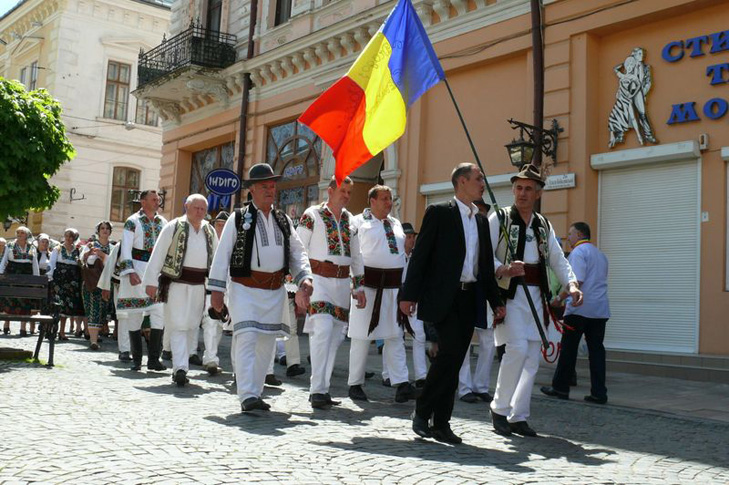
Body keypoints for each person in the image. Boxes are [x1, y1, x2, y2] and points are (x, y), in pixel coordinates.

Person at [401, 163, 505, 444]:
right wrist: (408, 295)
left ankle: (442, 423)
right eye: (478, 178)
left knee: (456, 359)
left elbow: (484, 266)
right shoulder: (439, 212)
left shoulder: (481, 220)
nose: (482, 183)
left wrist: (496, 302)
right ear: (461, 182)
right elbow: (421, 256)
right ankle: (422, 412)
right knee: (448, 356)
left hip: (469, 297)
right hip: (443, 297)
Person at [209, 163, 313, 412]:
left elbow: (298, 252)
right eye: (264, 186)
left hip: (274, 290)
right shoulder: (237, 218)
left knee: (266, 342)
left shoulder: (283, 220)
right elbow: (222, 256)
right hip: (244, 289)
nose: (270, 190)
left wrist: (304, 279)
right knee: (246, 338)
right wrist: (216, 292)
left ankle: (255, 392)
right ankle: (246, 395)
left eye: (272, 186)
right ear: (252, 190)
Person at [488, 164, 582, 438]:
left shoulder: (543, 224)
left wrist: (571, 283)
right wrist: (502, 268)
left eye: (529, 188)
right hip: (511, 293)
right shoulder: (500, 218)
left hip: (537, 296)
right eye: (518, 187)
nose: (522, 193)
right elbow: (484, 253)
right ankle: (499, 408)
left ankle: (519, 415)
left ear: (538, 192)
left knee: (531, 357)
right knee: (516, 349)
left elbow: (556, 258)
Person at [348, 185, 418, 403]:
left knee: (395, 335)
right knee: (361, 336)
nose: (389, 203)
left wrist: (407, 290)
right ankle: (355, 383)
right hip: (367, 287)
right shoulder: (357, 222)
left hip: (393, 288)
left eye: (391, 199)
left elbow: (401, 257)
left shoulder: (395, 223)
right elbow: (352, 255)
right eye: (385, 199)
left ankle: (402, 384)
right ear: (372, 201)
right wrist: (356, 285)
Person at [297, 176, 362, 409]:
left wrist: (360, 286)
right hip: (318, 281)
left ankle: (323, 389)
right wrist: (299, 284)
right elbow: (299, 249)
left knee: (335, 337)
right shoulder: (311, 215)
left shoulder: (350, 221)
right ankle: (315, 390)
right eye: (343, 191)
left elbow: (356, 255)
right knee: (322, 330)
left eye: (349, 192)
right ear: (330, 190)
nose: (346, 196)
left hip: (342, 283)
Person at [143, 194, 218, 386]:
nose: (199, 212)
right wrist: (151, 282)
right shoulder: (173, 226)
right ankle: (180, 369)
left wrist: (219, 286)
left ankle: (182, 365)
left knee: (192, 325)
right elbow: (158, 252)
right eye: (196, 208)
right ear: (186, 206)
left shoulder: (209, 230)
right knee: (177, 324)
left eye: (203, 209)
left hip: (199, 286)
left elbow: (217, 260)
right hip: (176, 283)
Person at [541, 222, 610, 404]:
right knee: (597, 351)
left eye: (570, 234)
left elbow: (576, 281)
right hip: (600, 310)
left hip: (579, 309)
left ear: (579, 234)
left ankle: (561, 388)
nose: (568, 237)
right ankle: (599, 392)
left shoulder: (579, 253)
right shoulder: (600, 255)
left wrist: (559, 299)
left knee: (568, 350)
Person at [118, 190, 168, 372]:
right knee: (134, 314)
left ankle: (154, 359)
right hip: (137, 270)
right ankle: (137, 359)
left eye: (158, 199)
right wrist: (130, 271)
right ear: (143, 201)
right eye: (154, 199)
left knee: (159, 312)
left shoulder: (163, 222)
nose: (157, 202)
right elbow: (126, 249)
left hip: (156, 272)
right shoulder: (132, 222)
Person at [457, 199, 499, 404]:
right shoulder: (461, 231)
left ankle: (481, 386)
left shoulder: (491, 232)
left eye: (483, 213)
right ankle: (464, 387)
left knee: (488, 340)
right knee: (463, 340)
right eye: (477, 212)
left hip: (485, 290)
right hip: (466, 288)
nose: (480, 216)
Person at [381, 222, 427, 388]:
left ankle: (421, 375)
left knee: (419, 334)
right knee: (393, 335)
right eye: (408, 237)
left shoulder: (416, 256)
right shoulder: (395, 256)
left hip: (412, 298)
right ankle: (388, 374)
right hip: (395, 297)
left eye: (413, 237)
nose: (411, 240)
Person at [199, 210, 230, 375]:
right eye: (218, 225)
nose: (221, 229)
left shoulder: (232, 242)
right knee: (210, 322)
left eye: (224, 226)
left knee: (219, 325)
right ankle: (211, 359)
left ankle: (210, 356)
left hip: (227, 289)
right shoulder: (207, 241)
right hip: (208, 287)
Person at [0, 227, 40, 336]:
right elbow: (4, 260)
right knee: (10, 299)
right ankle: (6, 325)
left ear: (27, 235)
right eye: (18, 232)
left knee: (25, 300)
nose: (19, 234)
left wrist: (36, 279)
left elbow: (35, 264)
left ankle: (23, 328)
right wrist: (1, 274)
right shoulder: (10, 245)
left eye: (22, 232)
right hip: (12, 274)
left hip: (26, 276)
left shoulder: (32, 247)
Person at [80, 222, 113, 350]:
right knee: (92, 310)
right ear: (98, 231)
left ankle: (95, 335)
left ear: (110, 231)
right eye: (102, 228)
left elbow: (115, 264)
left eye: (107, 228)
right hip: (91, 282)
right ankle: (93, 341)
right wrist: (88, 255)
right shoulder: (90, 245)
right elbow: (82, 260)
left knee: (102, 311)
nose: (105, 230)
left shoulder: (113, 247)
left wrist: (102, 255)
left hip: (106, 284)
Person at [49, 228, 85, 340]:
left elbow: (81, 264)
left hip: (72, 280)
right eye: (67, 236)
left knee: (67, 307)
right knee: (57, 305)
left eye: (71, 236)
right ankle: (51, 330)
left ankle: (62, 332)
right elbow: (52, 263)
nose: (69, 239)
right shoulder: (58, 249)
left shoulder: (78, 250)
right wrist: (49, 277)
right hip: (59, 279)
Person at [98, 241, 131, 361]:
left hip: (141, 286)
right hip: (121, 285)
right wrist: (106, 287)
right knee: (123, 316)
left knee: (138, 317)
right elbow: (110, 265)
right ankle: (124, 350)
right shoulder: (120, 246)